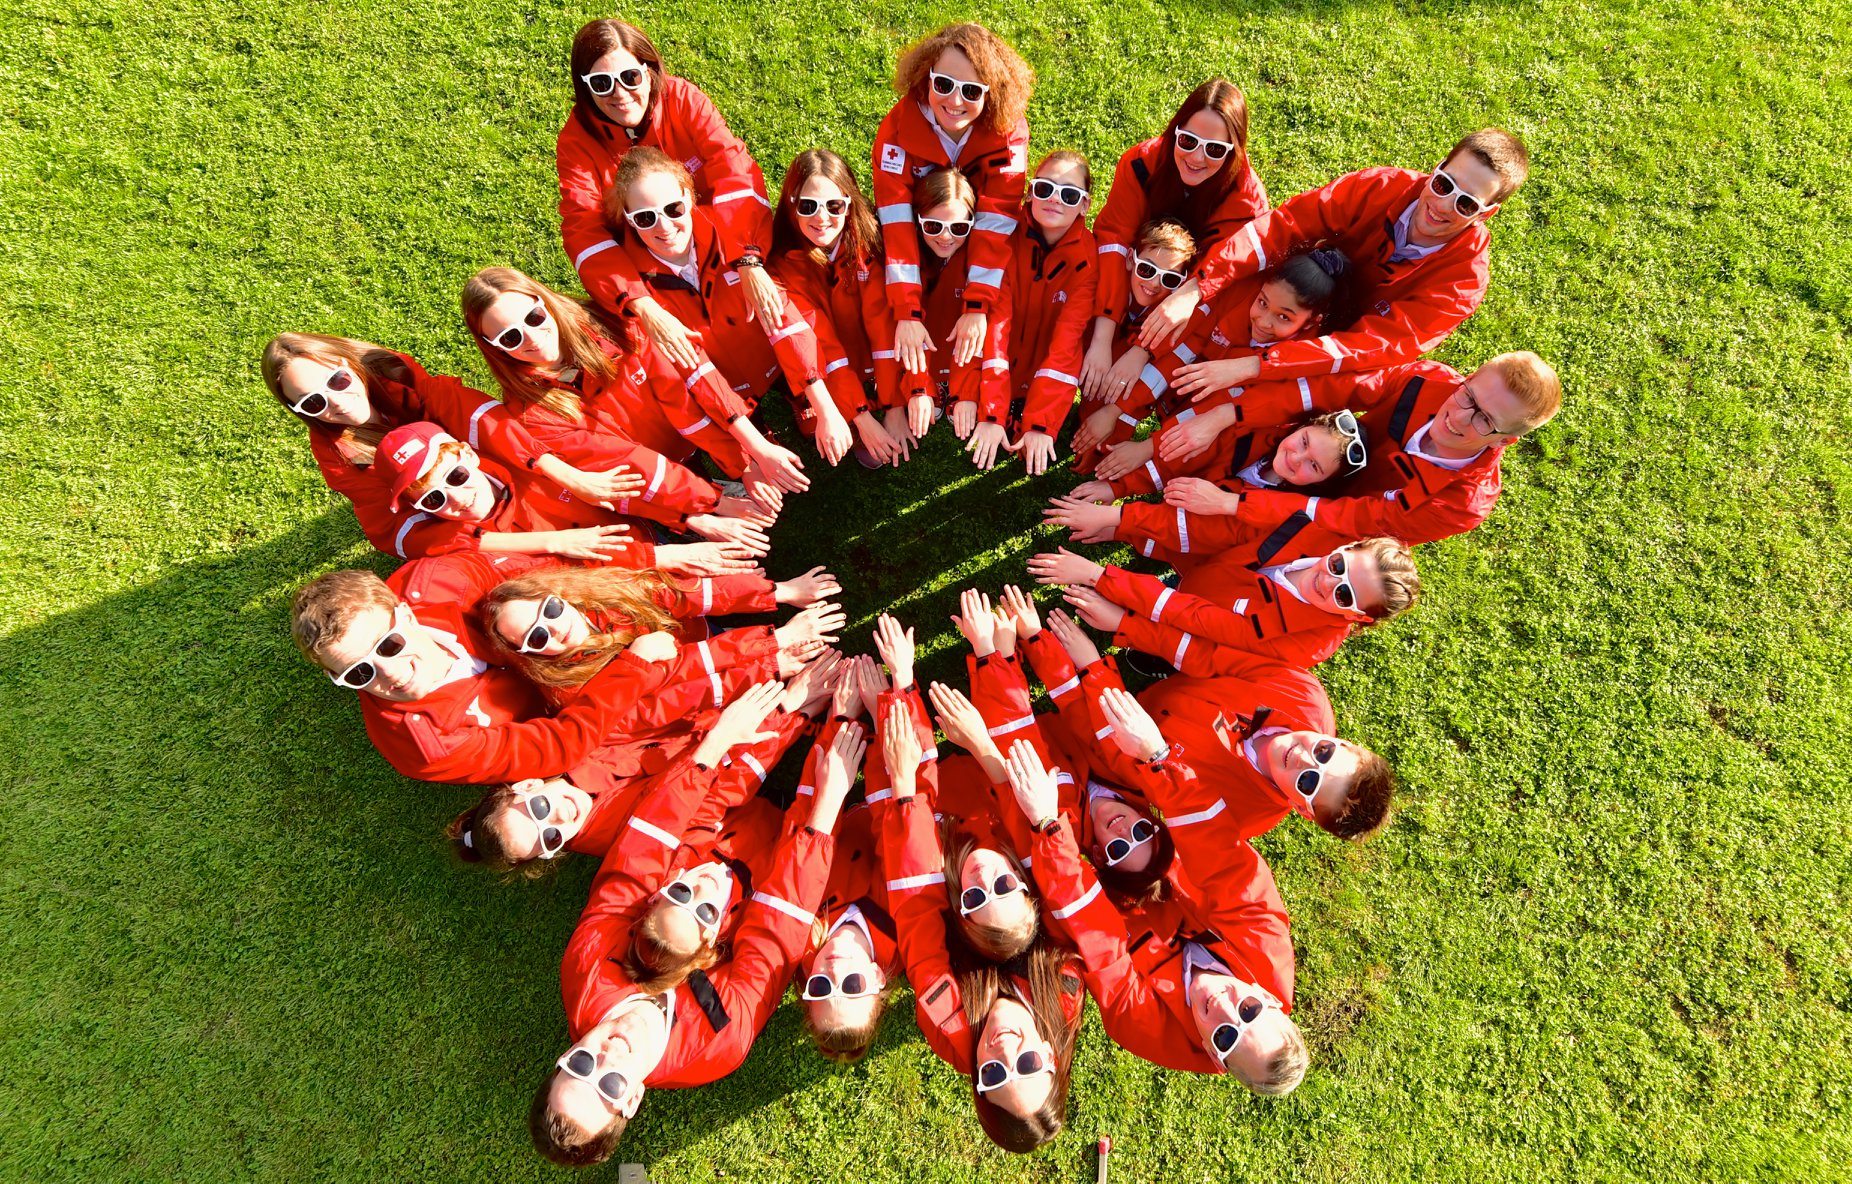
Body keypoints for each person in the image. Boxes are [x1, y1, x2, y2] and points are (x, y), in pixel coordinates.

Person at [532, 680, 855, 1168]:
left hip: (700, 858)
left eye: (581, 1065)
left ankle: (786, 715)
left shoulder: (586, 972)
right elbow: (776, 930)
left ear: (565, 1055)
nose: (609, 1056)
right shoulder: (713, 1049)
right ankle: (826, 735)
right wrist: (826, 809)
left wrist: (721, 743)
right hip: (757, 883)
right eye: (612, 1084)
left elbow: (642, 854)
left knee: (679, 862)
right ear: (632, 1100)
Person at [286, 546, 761, 786]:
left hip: (563, 631)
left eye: (387, 645)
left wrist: (660, 556)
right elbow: (558, 747)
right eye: (358, 674)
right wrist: (632, 669)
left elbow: (544, 574)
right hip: (577, 705)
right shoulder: (424, 747)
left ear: (405, 612)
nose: (388, 675)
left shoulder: (437, 581)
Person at [1001, 722, 1307, 1092]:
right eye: (1249, 1011)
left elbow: (1098, 940)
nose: (1223, 1009)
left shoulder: (1149, 1032)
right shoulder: (1267, 947)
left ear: (1213, 1057)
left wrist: (1048, 826)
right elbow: (1220, 855)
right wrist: (1157, 758)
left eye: (1225, 1037)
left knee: (1031, 839)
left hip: (1106, 902)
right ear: (1268, 998)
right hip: (1157, 845)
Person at [1137, 129, 1532, 382]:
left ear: (1487, 213)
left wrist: (1258, 367)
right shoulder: (1379, 187)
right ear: (1436, 168)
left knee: (1331, 386)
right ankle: (1153, 361)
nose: (1443, 205)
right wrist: (1195, 290)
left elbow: (1373, 349)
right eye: (1444, 184)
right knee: (1237, 280)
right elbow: (1284, 227)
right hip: (1303, 295)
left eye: (1465, 204)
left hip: (1343, 354)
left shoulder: (1463, 281)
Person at [876, 681, 1086, 1154]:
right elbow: (1048, 877)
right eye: (1028, 1063)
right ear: (1050, 1056)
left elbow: (916, 915)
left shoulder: (948, 1027)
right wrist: (982, 747)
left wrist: (906, 791)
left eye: (993, 1073)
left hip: (952, 876)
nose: (1005, 1048)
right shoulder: (1066, 990)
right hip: (1003, 850)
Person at [1107, 352, 1563, 566]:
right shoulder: (1428, 379)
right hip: (1324, 458)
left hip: (1336, 524)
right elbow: (1331, 389)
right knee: (1260, 423)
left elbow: (1351, 521)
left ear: (1506, 442)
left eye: (1485, 421)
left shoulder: (1463, 503)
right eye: (1469, 395)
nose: (1459, 417)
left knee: (1271, 559)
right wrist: (1226, 413)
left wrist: (1234, 506)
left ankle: (1183, 572)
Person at [593, 148, 871, 468]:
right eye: (645, 217)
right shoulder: (634, 289)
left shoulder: (733, 236)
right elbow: (694, 371)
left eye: (673, 209)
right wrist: (752, 444)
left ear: (689, 197)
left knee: (804, 403)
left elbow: (786, 321)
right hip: (722, 373)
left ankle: (797, 396)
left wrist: (823, 406)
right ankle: (755, 422)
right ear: (628, 219)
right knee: (755, 441)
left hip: (769, 353)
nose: (665, 226)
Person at [262, 333, 645, 561]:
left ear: (350, 364)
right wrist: (551, 541)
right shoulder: (338, 458)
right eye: (312, 402)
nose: (337, 401)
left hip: (477, 466)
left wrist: (568, 475)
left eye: (338, 380)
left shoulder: (394, 374)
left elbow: (477, 416)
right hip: (459, 512)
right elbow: (408, 534)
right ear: (299, 412)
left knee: (551, 446)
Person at [462, 266, 799, 520]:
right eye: (510, 337)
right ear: (494, 349)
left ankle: (736, 458)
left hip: (692, 423)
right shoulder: (530, 411)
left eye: (533, 317)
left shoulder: (613, 323)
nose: (532, 337)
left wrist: (743, 461)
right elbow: (631, 464)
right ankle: (696, 498)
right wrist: (708, 505)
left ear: (544, 302)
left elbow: (680, 396)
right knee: (685, 491)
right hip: (653, 462)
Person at [555, 18, 780, 375]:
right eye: (601, 83)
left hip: (718, 234)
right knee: (660, 338)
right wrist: (641, 304)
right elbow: (583, 231)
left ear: (649, 70)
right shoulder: (576, 142)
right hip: (649, 255)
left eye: (630, 77)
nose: (620, 94)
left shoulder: (684, 99)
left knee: (765, 285)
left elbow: (734, 170)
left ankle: (788, 372)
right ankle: (729, 402)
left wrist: (748, 256)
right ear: (585, 89)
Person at [1083, 249, 1361, 484]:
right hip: (1185, 386)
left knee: (1202, 439)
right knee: (1101, 425)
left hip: (1222, 416)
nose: (1264, 322)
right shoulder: (1240, 294)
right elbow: (1181, 351)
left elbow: (1217, 410)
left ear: (1311, 323)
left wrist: (1148, 448)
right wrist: (1117, 408)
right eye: (1263, 302)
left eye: (1284, 317)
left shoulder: (1299, 359)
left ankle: (1140, 477)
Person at [870, 23, 1033, 404]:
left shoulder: (1011, 134)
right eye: (943, 84)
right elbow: (896, 223)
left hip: (967, 228)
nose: (955, 101)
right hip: (923, 228)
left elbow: (996, 221)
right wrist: (908, 313)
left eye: (972, 91)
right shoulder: (895, 130)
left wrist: (977, 305)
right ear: (925, 76)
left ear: (992, 94)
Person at [1082, 79, 1270, 402]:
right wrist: (1102, 336)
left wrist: (1142, 351)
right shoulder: (1142, 162)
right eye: (1188, 140)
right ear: (1175, 131)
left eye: (1214, 149)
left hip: (1188, 295)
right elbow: (1113, 239)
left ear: (1234, 151)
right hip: (1137, 271)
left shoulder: (1247, 204)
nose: (1196, 157)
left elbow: (1218, 284)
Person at [1028, 538, 1420, 673]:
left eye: (1344, 595)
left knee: (1171, 648)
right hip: (1200, 587)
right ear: (1347, 547)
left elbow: (1201, 631)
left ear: (1356, 616)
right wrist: (1125, 527)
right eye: (1340, 566)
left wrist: (1123, 619)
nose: (1328, 580)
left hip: (1195, 634)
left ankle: (1150, 657)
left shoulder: (1300, 640)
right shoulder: (1318, 537)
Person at [768, 149, 908, 467]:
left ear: (849, 204)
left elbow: (881, 325)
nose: (821, 218)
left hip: (863, 353)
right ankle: (828, 401)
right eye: (808, 206)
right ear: (791, 206)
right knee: (816, 427)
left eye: (833, 205)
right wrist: (861, 417)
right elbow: (819, 342)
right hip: (822, 360)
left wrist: (894, 407)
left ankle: (873, 394)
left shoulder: (869, 241)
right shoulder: (780, 266)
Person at [368, 422, 650, 563]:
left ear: (469, 453)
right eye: (434, 498)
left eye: (456, 476)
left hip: (649, 534)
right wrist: (555, 541)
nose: (457, 497)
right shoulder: (446, 540)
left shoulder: (524, 465)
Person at [887, 169, 1016, 469]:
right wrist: (918, 385)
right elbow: (897, 332)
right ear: (916, 221)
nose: (946, 237)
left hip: (960, 357)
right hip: (919, 357)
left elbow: (989, 332)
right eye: (933, 225)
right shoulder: (903, 264)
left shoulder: (983, 262)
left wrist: (967, 392)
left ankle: (948, 386)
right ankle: (934, 384)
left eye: (959, 227)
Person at [1069, 219, 1197, 470]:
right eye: (1148, 270)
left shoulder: (1173, 315)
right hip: (1087, 348)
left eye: (1169, 279)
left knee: (1122, 380)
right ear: (1130, 259)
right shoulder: (1108, 284)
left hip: (1130, 380)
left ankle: (1097, 440)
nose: (1154, 284)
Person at [1002, 150, 1098, 474]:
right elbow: (996, 321)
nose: (1055, 200)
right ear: (1030, 191)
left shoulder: (1087, 261)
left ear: (1085, 205)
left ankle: (1025, 414)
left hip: (1043, 360)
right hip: (1003, 353)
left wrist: (1041, 422)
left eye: (1069, 194)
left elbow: (1066, 345)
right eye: (1045, 188)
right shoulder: (1007, 231)